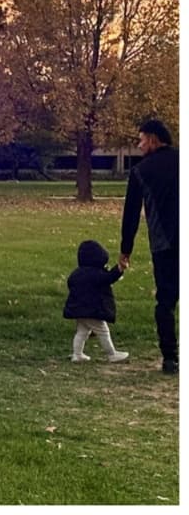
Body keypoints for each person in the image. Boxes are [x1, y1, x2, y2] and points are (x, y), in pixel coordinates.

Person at [118, 119, 179, 375]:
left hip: (164, 243)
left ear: (153, 139)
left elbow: (131, 213)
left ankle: (170, 357)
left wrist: (126, 249)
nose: (139, 144)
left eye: (141, 139)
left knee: (165, 301)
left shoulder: (141, 171)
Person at [64, 239, 128, 363]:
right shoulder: (96, 274)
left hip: (78, 309)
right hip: (93, 310)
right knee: (103, 330)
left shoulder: (76, 274)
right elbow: (109, 278)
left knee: (82, 332)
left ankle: (77, 354)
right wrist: (119, 268)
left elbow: (70, 284)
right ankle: (112, 354)